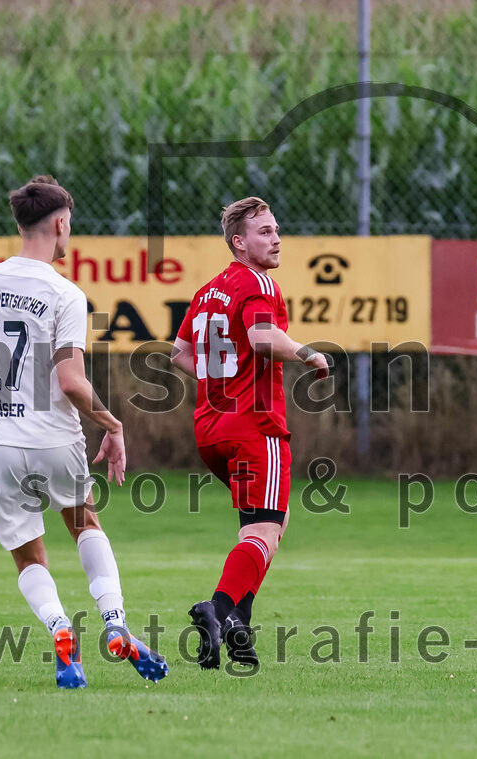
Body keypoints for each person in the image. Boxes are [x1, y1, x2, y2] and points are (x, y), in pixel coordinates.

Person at [0, 175, 168, 688]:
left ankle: (62, 632)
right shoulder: (64, 293)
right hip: (52, 440)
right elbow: (70, 381)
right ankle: (115, 623)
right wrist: (112, 423)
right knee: (85, 522)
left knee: (28, 553)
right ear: (60, 224)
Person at [171, 196, 329, 669]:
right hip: (255, 427)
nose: (276, 237)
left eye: (277, 229)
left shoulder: (207, 291)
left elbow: (178, 354)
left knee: (261, 527)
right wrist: (307, 353)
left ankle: (240, 627)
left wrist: (222, 378)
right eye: (264, 231)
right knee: (266, 528)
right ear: (239, 242)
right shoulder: (259, 283)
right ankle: (218, 611)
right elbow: (262, 340)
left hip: (209, 430)